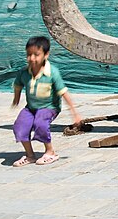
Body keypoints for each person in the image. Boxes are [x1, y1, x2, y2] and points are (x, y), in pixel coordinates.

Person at [11, 35, 81, 167]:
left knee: (40, 123)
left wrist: (74, 113)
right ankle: (30, 155)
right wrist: (16, 99)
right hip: (31, 108)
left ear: (46, 55)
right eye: (29, 54)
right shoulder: (24, 72)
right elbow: (18, 85)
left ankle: (50, 152)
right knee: (20, 126)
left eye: (36, 55)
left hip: (49, 107)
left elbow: (63, 92)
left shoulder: (52, 73)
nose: (32, 58)